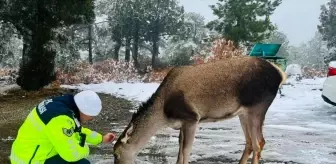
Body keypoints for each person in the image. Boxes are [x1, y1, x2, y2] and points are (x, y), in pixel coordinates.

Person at [9, 90, 116, 164]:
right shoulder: (59, 119)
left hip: (30, 153)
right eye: (91, 116)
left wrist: (101, 138)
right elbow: (71, 155)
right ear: (85, 110)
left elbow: (76, 131)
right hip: (30, 160)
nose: (91, 119)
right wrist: (85, 149)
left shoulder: (63, 107)